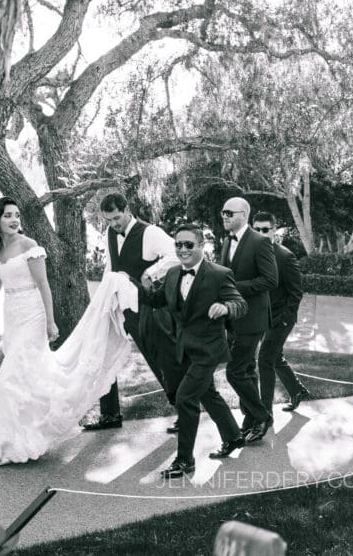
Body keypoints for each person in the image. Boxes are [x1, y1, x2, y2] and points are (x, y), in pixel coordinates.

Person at [0, 197, 132, 465]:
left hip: (33, 314)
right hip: (13, 316)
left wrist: (51, 322)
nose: (14, 219)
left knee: (9, 378)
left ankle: (11, 443)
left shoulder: (30, 246)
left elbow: (44, 285)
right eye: (8, 215)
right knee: (26, 379)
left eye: (17, 215)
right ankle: (24, 437)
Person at [136, 224, 248, 478]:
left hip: (209, 349)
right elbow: (157, 301)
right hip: (184, 348)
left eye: (189, 244)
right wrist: (143, 286)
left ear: (201, 246)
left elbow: (240, 304)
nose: (183, 249)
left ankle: (185, 461)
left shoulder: (220, 274)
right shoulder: (174, 273)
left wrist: (225, 307)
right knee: (207, 394)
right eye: (178, 245)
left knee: (186, 398)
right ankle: (233, 436)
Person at [82, 193, 184, 433]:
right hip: (117, 305)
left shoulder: (150, 233)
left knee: (160, 358)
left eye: (117, 217)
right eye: (109, 220)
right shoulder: (110, 233)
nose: (114, 224)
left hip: (145, 306)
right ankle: (109, 414)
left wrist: (151, 272)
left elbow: (175, 254)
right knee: (103, 353)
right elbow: (112, 266)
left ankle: (184, 410)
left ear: (127, 209)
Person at [219, 197, 278, 443]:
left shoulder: (260, 242)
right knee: (247, 370)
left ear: (243, 214)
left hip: (252, 319)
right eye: (223, 212)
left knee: (234, 372)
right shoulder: (226, 241)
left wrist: (234, 287)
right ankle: (250, 420)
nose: (224, 216)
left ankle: (263, 416)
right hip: (233, 319)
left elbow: (270, 280)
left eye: (229, 213)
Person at [252, 213, 310, 413]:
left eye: (265, 229)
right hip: (259, 318)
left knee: (265, 359)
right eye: (257, 229)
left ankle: (264, 412)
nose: (261, 233)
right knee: (275, 358)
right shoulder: (252, 254)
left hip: (280, 319)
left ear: (274, 230)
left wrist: (285, 319)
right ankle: (297, 391)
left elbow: (296, 292)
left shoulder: (285, 256)